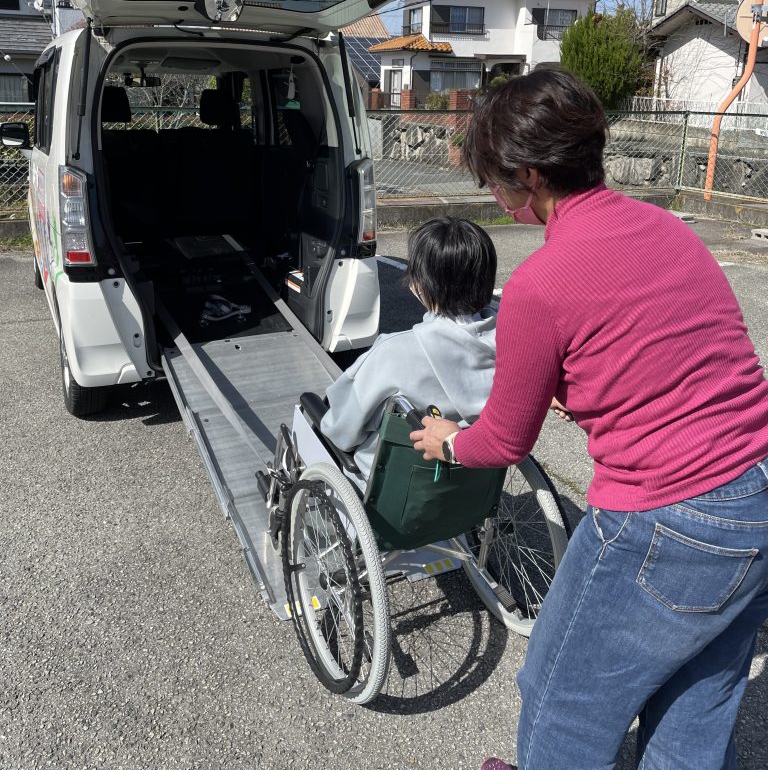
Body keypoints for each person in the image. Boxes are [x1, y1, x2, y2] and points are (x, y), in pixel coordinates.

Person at [410, 70, 768, 770]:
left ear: (531, 176)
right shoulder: (665, 228)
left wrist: (449, 443)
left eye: (496, 182)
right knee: (698, 698)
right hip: (757, 488)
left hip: (666, 515)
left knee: (562, 699)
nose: (494, 195)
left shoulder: (540, 284)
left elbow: (505, 439)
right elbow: (675, 353)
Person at [320, 217, 498, 479]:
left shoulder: (395, 351)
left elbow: (341, 429)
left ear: (423, 285)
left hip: (395, 481)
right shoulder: (515, 339)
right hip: (475, 472)